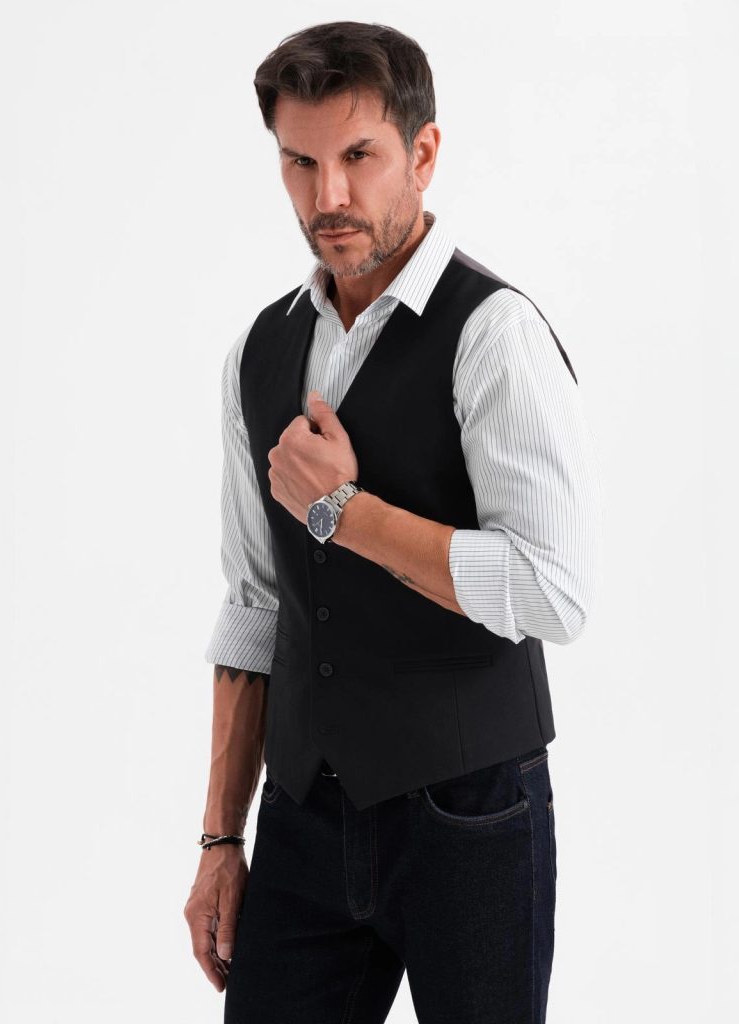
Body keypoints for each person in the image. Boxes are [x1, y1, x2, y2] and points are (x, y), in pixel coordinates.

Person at [184, 20, 602, 1024]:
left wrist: (344, 511)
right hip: (301, 818)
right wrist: (220, 838)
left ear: (422, 153)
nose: (327, 195)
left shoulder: (494, 334)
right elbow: (255, 605)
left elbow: (554, 591)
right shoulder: (260, 349)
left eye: (358, 156)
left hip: (468, 812)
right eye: (300, 162)